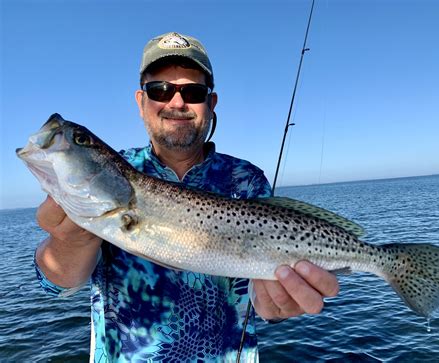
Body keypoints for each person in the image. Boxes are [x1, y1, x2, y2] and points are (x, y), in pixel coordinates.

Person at [35, 32, 339, 362]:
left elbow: (262, 298)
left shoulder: (246, 179)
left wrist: (277, 305)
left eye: (192, 92)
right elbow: (57, 284)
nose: (177, 103)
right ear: (141, 101)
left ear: (211, 103)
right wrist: (69, 242)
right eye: (160, 90)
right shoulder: (119, 172)